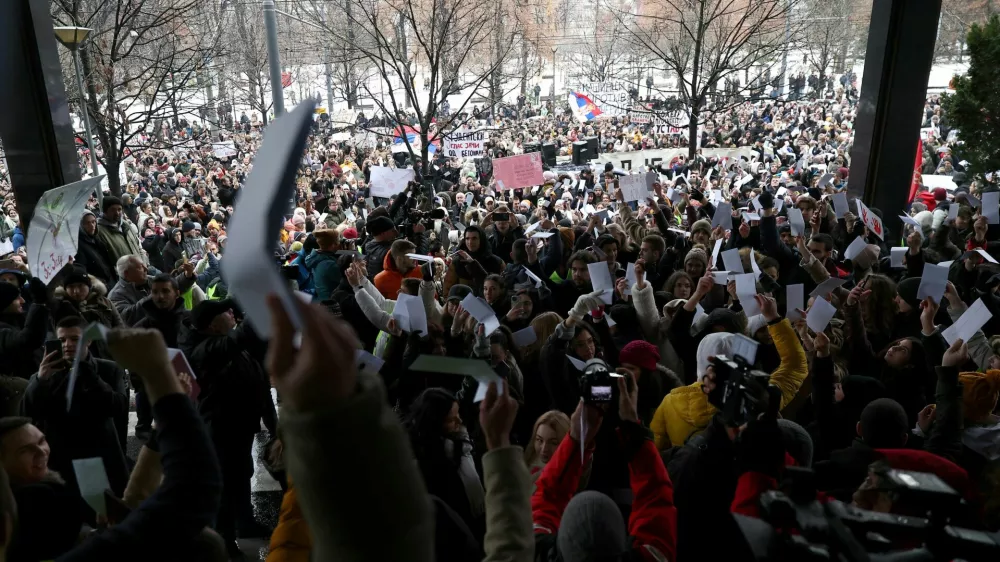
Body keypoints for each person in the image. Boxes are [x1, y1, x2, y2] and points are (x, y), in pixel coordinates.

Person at [180, 299, 278, 555]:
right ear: (212, 324)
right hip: (220, 429)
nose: (233, 314)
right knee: (223, 485)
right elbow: (238, 338)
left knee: (241, 474)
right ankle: (223, 540)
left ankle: (244, 523)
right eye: (226, 312)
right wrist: (260, 303)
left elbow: (259, 378)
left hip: (240, 426)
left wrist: (272, 423)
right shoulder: (207, 349)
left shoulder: (229, 345)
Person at [22, 316, 130, 497]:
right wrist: (41, 380)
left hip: (95, 454)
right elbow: (27, 413)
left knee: (99, 509)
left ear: (88, 341)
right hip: (58, 456)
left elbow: (118, 408)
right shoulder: (44, 374)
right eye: (62, 340)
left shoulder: (108, 370)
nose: (67, 345)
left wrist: (90, 375)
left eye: (75, 339)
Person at [0, 277, 49, 417]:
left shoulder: (17, 320)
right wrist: (39, 303)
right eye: (17, 298)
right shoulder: (2, 332)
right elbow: (28, 340)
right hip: (26, 400)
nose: (23, 300)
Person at [109, 255, 197, 326]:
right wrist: (155, 296)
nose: (146, 269)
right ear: (127, 274)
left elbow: (171, 286)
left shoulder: (150, 279)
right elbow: (127, 318)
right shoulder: (116, 295)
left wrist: (187, 276)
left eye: (145, 266)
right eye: (140, 267)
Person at [94, 196, 145, 267]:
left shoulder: (125, 224)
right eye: (113, 210)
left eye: (119, 209)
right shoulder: (99, 232)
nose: (117, 213)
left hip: (140, 268)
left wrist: (144, 263)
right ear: (105, 211)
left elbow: (138, 245)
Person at [75, 211, 117, 284]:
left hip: (110, 280)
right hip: (99, 286)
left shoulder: (96, 239)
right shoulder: (78, 245)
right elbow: (82, 270)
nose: (92, 226)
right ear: (80, 225)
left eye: (93, 222)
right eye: (87, 223)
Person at [305, 229, 342, 301]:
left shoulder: (317, 257)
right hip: (332, 303)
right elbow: (349, 281)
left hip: (324, 300)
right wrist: (350, 254)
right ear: (333, 245)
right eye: (338, 241)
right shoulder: (329, 264)